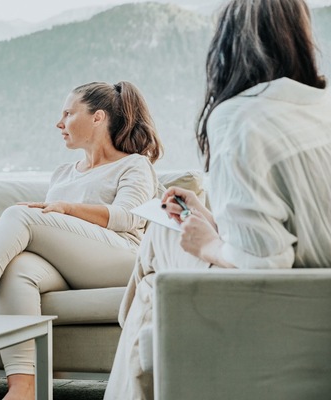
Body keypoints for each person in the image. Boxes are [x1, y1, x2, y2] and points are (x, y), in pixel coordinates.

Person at [103, 0, 331, 398]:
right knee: (158, 266)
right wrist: (215, 220)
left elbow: (265, 263)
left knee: (159, 249)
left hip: (284, 299)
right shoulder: (321, 107)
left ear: (228, 46)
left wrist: (208, 243)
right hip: (314, 288)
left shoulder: (240, 118)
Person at [0, 81, 163, 400]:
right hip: (72, 268)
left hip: (120, 259)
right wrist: (60, 213)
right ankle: (23, 386)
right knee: (17, 268)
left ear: (98, 118)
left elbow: (129, 217)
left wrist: (66, 208)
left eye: (68, 113)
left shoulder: (134, 164)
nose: (59, 122)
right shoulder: (64, 173)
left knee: (20, 214)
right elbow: (58, 240)